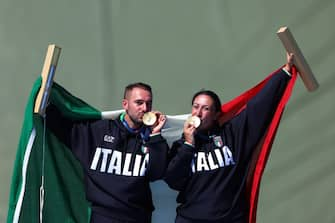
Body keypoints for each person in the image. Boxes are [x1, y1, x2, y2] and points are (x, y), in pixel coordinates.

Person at [164, 54, 294, 223]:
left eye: (206, 108)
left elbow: (259, 105)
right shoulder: (182, 145)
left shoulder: (233, 133)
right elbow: (173, 181)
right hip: (191, 218)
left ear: (217, 114)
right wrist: (188, 145)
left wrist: (284, 73)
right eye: (195, 107)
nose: (198, 113)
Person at [45, 82, 169, 223]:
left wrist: (155, 135)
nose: (145, 108)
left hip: (138, 217)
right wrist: (45, 101)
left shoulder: (152, 139)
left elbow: (157, 173)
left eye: (149, 103)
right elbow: (62, 126)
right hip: (103, 216)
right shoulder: (99, 131)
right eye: (139, 103)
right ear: (125, 104)